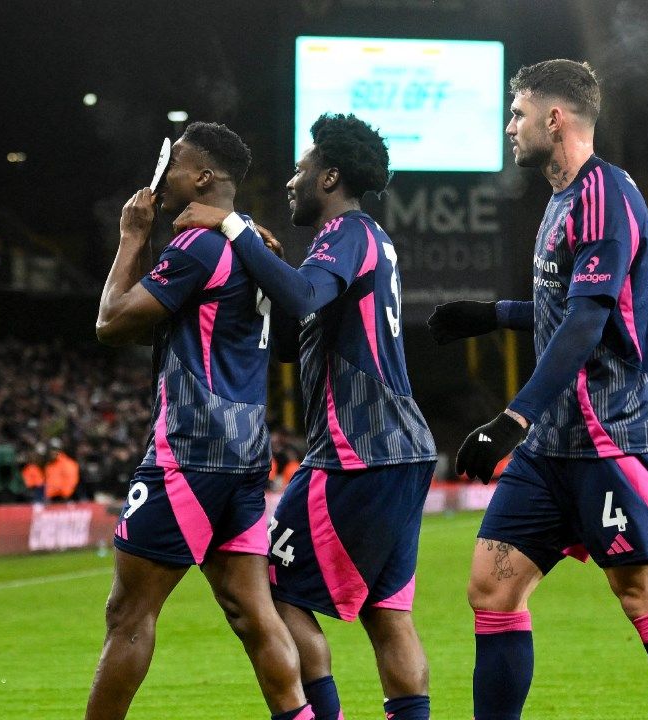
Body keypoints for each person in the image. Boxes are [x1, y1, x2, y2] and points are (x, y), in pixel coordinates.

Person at [427, 60, 648, 719]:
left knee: (647, 594)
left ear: (554, 118)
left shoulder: (606, 195)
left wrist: (513, 417)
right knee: (491, 589)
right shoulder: (561, 202)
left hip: (610, 436)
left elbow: (589, 319)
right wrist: (493, 314)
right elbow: (566, 305)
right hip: (554, 445)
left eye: (518, 114)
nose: (510, 128)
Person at [175, 113, 437, 720]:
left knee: (270, 591)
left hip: (356, 453)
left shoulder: (345, 232)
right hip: (401, 449)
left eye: (301, 169)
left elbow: (304, 297)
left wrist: (234, 226)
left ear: (330, 177)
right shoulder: (375, 239)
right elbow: (303, 314)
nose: (292, 181)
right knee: (388, 613)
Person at [84, 121, 310, 720]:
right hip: (243, 459)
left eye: (175, 166)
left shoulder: (198, 245)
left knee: (128, 615)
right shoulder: (252, 249)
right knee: (252, 614)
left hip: (187, 454)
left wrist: (133, 235)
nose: (163, 180)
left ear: (204, 177)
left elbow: (111, 322)